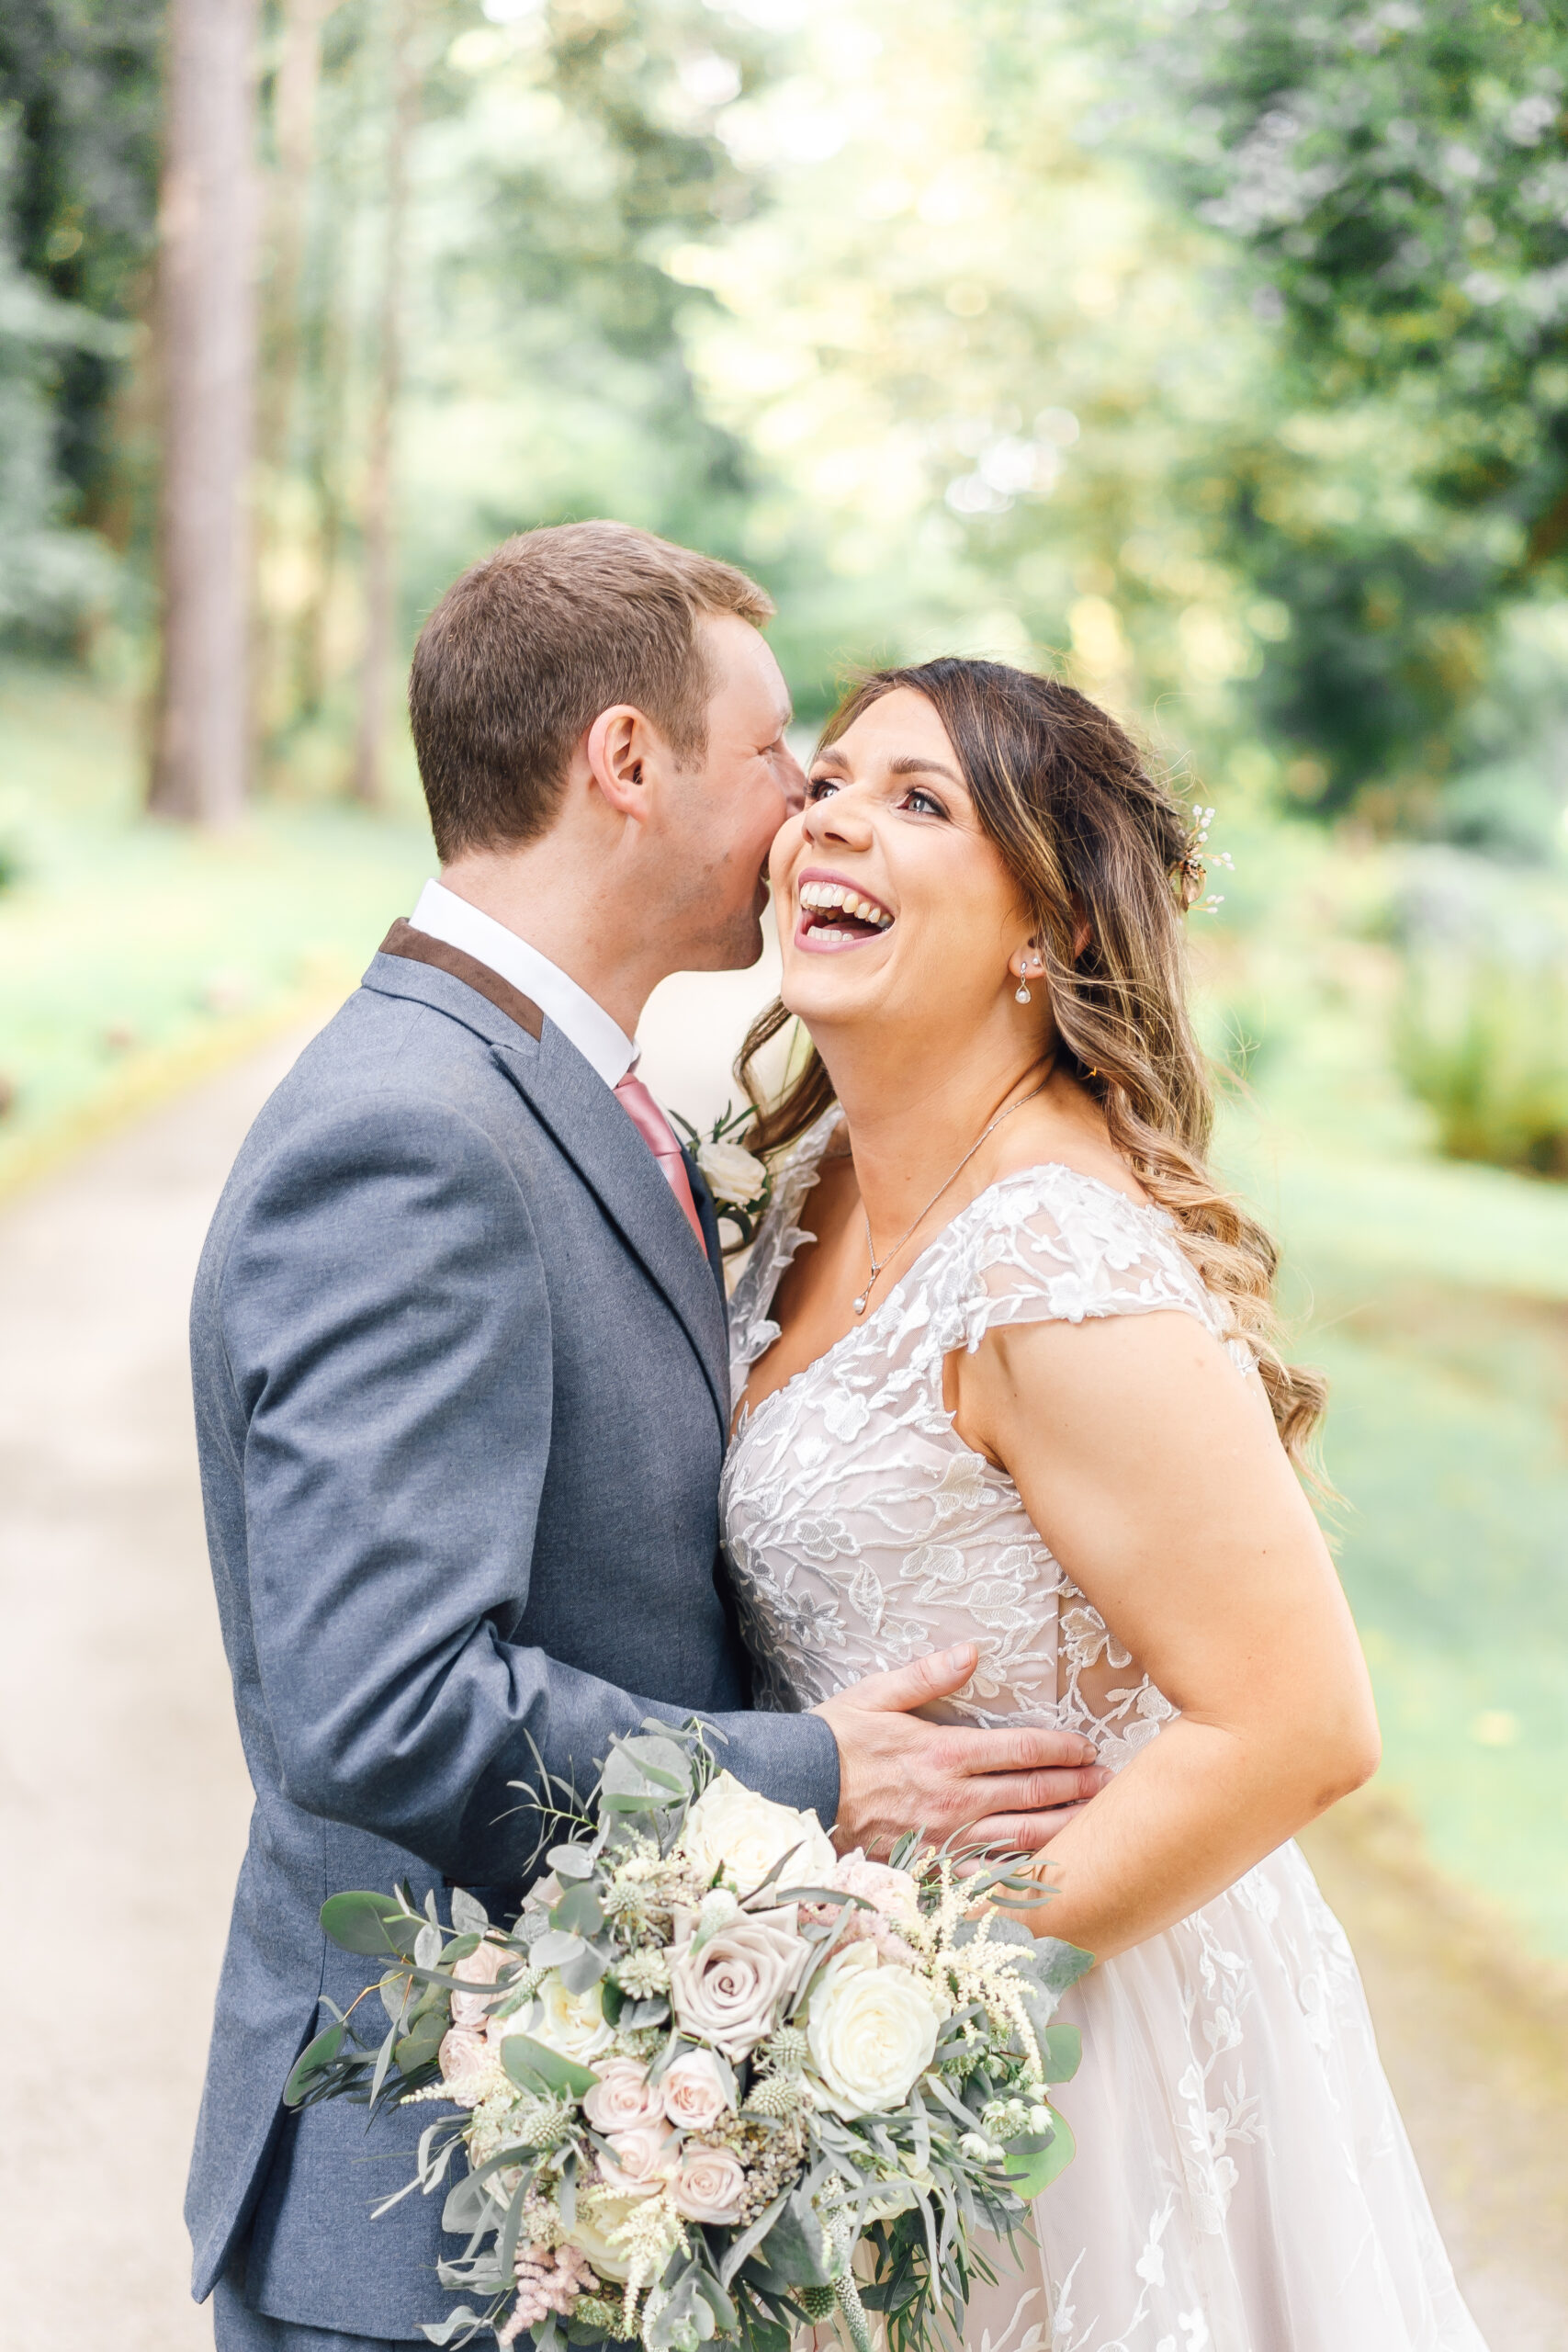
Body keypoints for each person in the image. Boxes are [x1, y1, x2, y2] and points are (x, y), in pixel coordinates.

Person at [185, 529, 1108, 2352]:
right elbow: (377, 1705)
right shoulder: (417, 1138)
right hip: (431, 2212)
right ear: (625, 761)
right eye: (781, 756)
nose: (802, 812)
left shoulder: (554, 1088)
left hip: (582, 2187)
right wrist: (808, 1776)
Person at [722, 657, 1489, 2351]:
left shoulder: (1052, 1263)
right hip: (849, 1995)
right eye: (832, 779)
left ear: (1048, 933)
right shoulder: (805, 1184)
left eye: (921, 801)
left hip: (1072, 2034)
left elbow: (1300, 1724)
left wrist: (911, 1996)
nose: (834, 818)